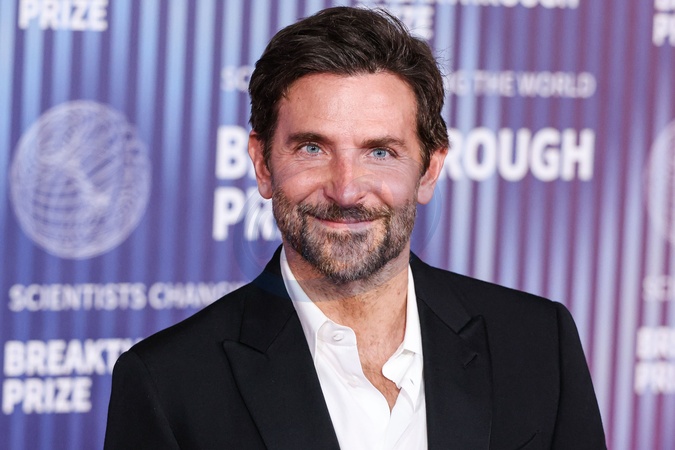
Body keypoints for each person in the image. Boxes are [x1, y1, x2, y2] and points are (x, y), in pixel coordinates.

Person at [104, 6, 606, 449]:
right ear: (261, 163)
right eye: (312, 148)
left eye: (380, 152)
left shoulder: (538, 344)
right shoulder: (168, 384)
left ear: (429, 169)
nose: (345, 190)